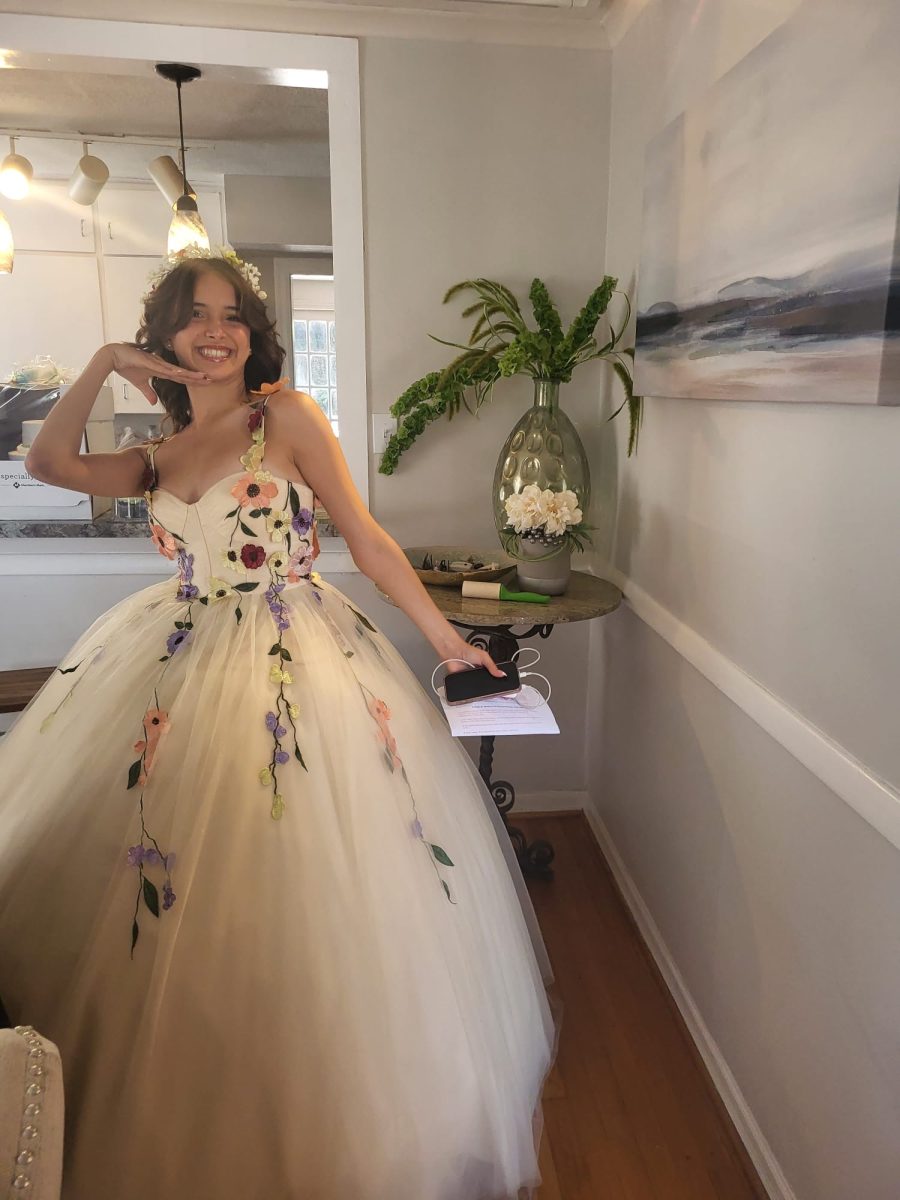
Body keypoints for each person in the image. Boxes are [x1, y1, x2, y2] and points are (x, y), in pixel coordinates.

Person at [0, 250, 561, 1200]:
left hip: (296, 656)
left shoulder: (287, 419)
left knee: (309, 876)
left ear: (255, 336)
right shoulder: (155, 458)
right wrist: (99, 361)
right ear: (165, 336)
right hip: (173, 659)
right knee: (170, 869)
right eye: (193, 317)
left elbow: (368, 536)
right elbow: (47, 461)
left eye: (231, 317)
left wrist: (445, 640)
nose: (214, 332)